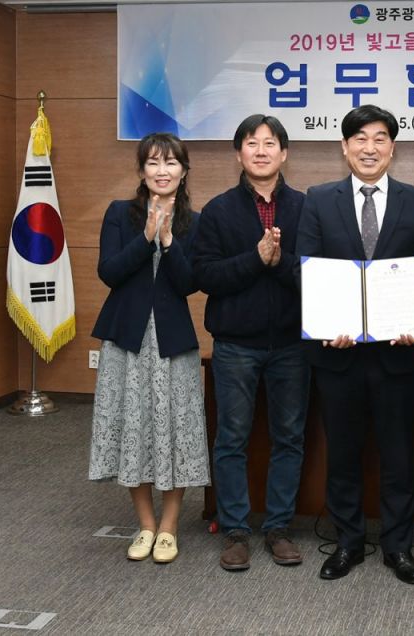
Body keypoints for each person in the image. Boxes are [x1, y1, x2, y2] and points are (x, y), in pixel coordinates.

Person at [296, 104, 414, 585]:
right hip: (337, 355)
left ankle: (399, 548)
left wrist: (413, 314)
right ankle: (347, 543)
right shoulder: (319, 199)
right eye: (360, 138)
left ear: (392, 148)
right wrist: (327, 322)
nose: (369, 147)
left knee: (399, 456)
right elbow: (305, 268)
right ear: (345, 147)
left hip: (398, 353)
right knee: (342, 455)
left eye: (380, 138)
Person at [192, 114, 309, 571]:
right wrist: (255, 258)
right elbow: (206, 275)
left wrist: (278, 262)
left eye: (270, 143)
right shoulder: (218, 210)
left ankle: (278, 528)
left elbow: (315, 274)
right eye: (251, 143)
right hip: (235, 345)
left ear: (284, 153)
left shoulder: (306, 208)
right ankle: (236, 531)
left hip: (292, 344)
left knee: (289, 438)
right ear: (238, 153)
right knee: (231, 439)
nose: (261, 151)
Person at [89, 132, 207, 564]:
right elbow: (109, 272)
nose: (162, 170)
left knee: (176, 431)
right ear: (141, 171)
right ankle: (145, 524)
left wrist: (169, 241)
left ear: (184, 171)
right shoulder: (119, 213)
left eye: (171, 162)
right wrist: (145, 238)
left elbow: (190, 283)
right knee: (132, 428)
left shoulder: (195, 222)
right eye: (153, 162)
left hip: (173, 341)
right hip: (128, 339)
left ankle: (169, 526)